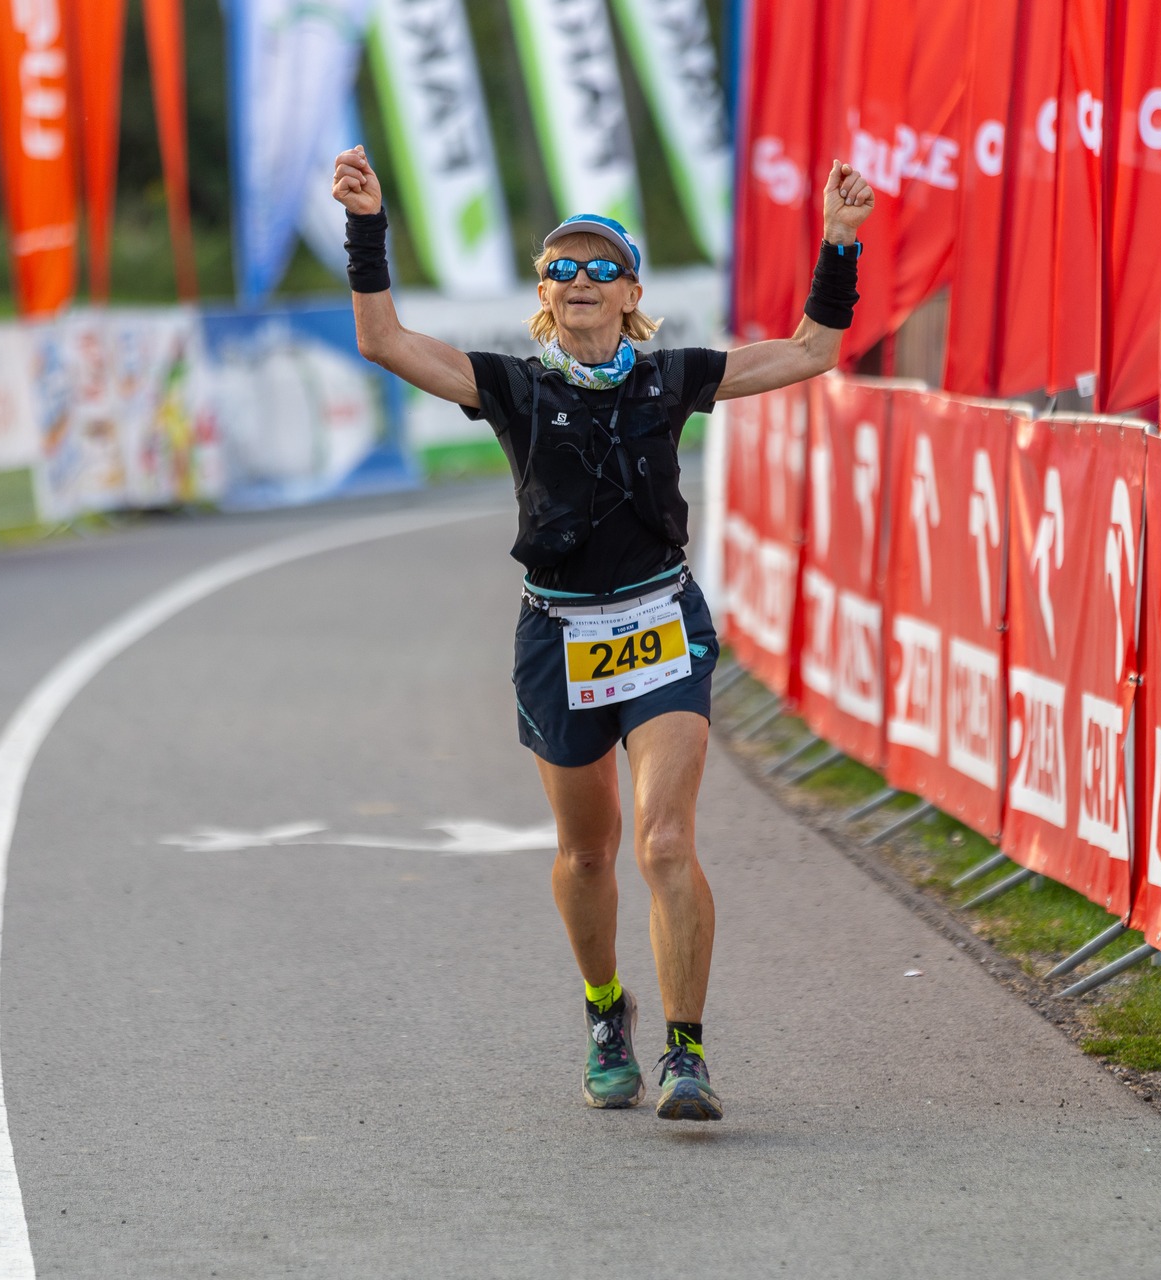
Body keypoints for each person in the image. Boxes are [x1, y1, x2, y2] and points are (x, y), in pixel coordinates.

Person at [331, 145, 874, 1121]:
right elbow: (385, 342)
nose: (580, 279)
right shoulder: (508, 385)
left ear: (631, 293)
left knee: (664, 841)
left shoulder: (673, 379)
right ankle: (604, 1009)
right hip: (559, 637)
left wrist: (839, 244)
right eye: (561, 268)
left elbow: (808, 351)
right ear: (545, 295)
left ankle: (686, 1050)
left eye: (600, 267)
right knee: (589, 853)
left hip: (662, 623)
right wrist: (367, 228)